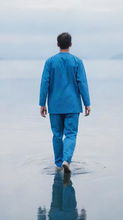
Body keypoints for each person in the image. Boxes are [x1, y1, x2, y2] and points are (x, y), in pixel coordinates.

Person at [39, 32, 91, 172]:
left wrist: (42, 103)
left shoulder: (50, 62)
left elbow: (45, 83)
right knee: (71, 134)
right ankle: (66, 160)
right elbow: (82, 83)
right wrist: (87, 103)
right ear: (71, 44)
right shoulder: (77, 61)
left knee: (57, 134)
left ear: (57, 44)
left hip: (55, 105)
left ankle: (58, 164)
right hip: (73, 105)